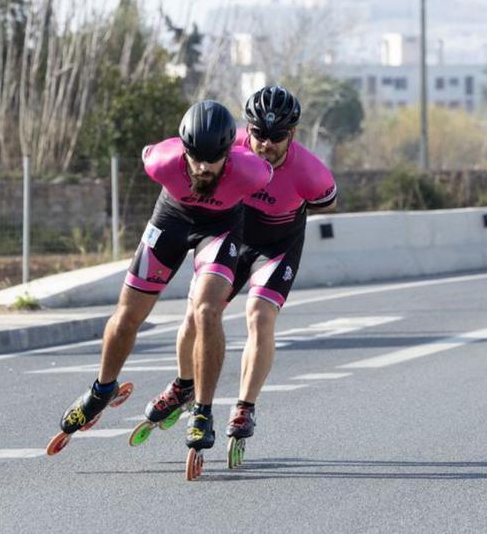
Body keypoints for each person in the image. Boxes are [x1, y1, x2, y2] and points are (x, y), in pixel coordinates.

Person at [47, 100, 273, 456]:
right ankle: (101, 389)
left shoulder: (253, 172)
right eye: (194, 157)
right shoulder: (159, 161)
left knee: (206, 312)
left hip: (219, 230)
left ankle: (202, 410)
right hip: (170, 220)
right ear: (183, 149)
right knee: (127, 316)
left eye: (211, 160)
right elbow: (157, 153)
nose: (201, 167)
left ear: (229, 154)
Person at [138, 85, 337, 464]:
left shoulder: (310, 171)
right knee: (198, 313)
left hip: (276, 246)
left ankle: (245, 405)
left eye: (277, 136)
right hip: (233, 234)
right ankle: (183, 386)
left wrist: (284, 212)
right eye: (258, 133)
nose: (266, 143)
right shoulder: (229, 147)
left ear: (292, 134)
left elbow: (326, 202)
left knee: (260, 317)